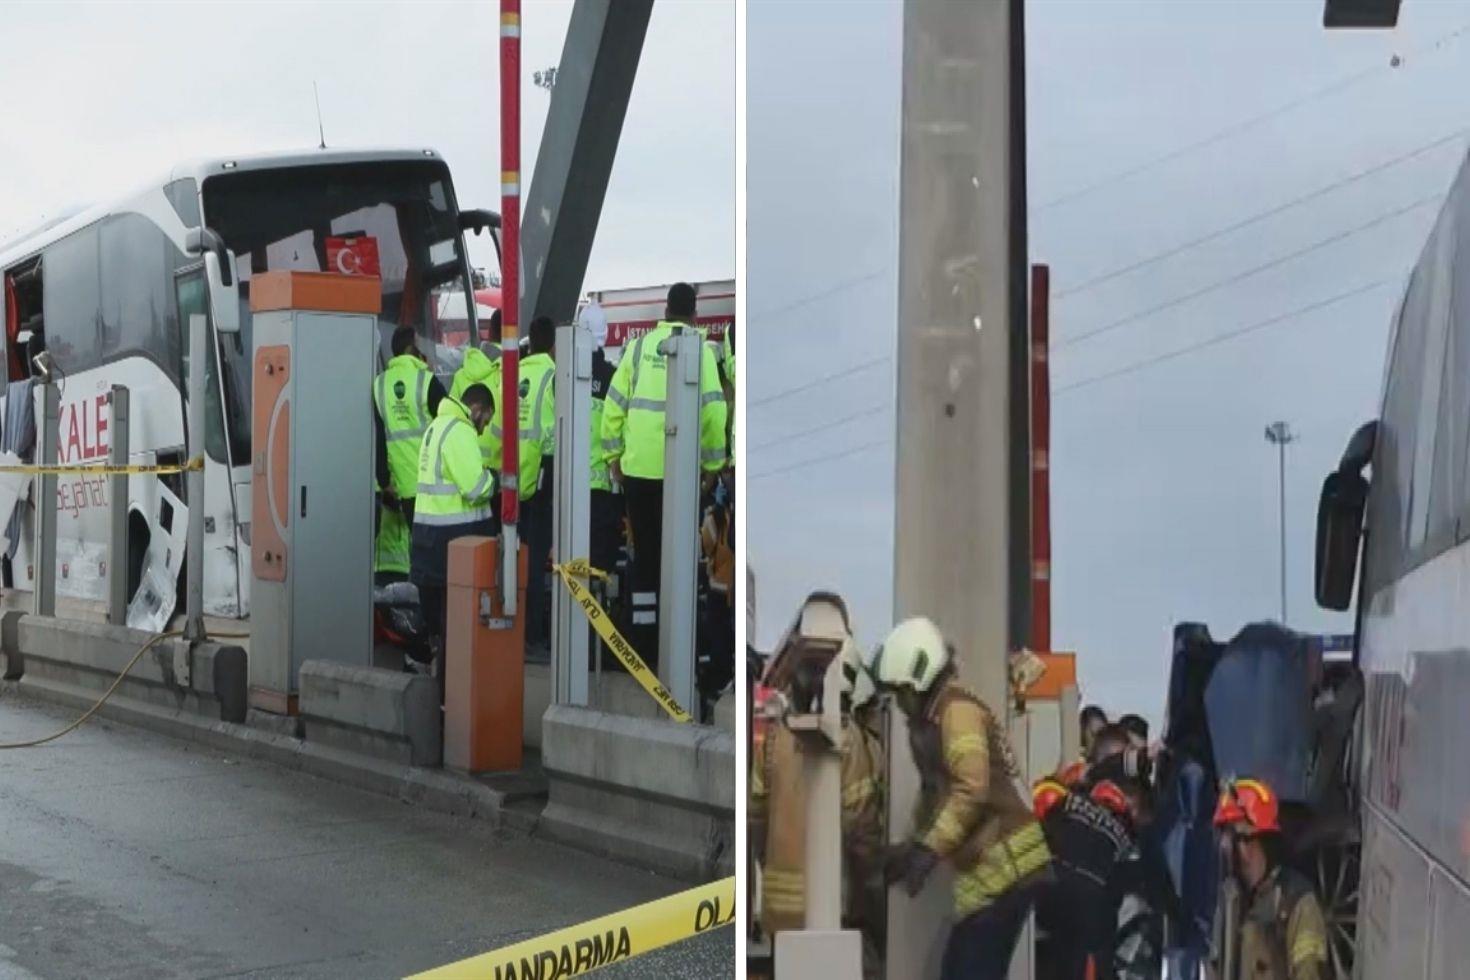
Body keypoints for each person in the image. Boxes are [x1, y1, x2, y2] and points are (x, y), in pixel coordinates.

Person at [866, 617, 1052, 980]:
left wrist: (927, 850)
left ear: (920, 680)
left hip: (1009, 868)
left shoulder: (956, 713)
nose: (900, 704)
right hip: (996, 874)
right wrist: (913, 847)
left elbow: (971, 790)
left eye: (901, 692)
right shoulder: (934, 719)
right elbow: (934, 793)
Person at [600, 282, 728, 666]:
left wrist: (613, 457)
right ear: (694, 316)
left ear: (665, 311)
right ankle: (679, 643)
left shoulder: (639, 348)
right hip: (681, 473)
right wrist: (712, 466)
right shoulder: (701, 353)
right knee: (679, 557)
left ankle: (643, 642)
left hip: (639, 471)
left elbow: (614, 406)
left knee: (643, 557)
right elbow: (713, 413)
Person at [749, 625, 885, 972]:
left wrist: (771, 864)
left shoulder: (776, 737)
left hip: (780, 909)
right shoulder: (850, 742)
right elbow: (861, 833)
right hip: (832, 906)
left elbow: (756, 816)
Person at [409, 383, 498, 703]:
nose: (483, 428)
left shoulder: (436, 427)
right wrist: (494, 479)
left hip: (428, 544)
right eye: (485, 420)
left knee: (441, 633)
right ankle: (451, 703)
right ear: (477, 410)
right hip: (452, 546)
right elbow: (475, 487)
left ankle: (440, 703)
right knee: (456, 633)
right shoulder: (460, 431)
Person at [1213, 778, 1329, 980]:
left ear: (1249, 841)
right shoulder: (1231, 900)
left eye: (1229, 836)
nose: (1223, 846)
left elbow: (1309, 972)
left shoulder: (1298, 904)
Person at [373, 326, 447, 579]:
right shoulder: (426, 381)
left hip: (400, 485)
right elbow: (450, 422)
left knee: (415, 547)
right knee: (431, 553)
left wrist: (384, 480)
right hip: (428, 482)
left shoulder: (379, 385)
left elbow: (379, 437)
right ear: (411, 347)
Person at [517, 316, 557, 655]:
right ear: (554, 345)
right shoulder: (554, 375)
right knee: (538, 556)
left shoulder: (512, 373)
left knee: (515, 554)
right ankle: (534, 634)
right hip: (543, 474)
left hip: (511, 476)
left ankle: (516, 626)